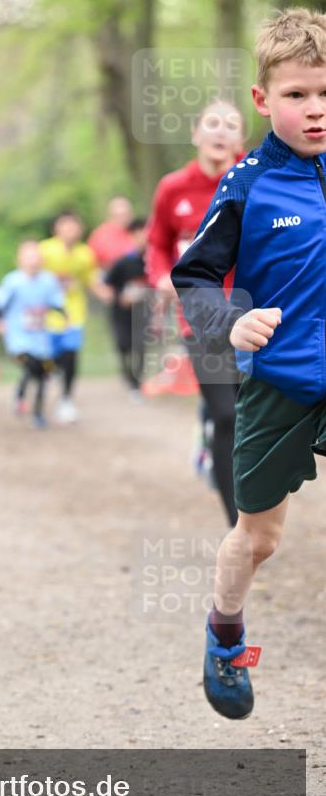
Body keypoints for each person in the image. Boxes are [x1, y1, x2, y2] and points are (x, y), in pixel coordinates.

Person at [172, 8, 326, 719]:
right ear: (263, 100)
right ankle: (224, 633)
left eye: (324, 93)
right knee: (257, 537)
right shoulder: (245, 184)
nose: (314, 110)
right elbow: (192, 278)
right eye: (297, 95)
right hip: (280, 384)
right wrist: (233, 322)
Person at [146, 100, 246, 527]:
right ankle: (237, 524)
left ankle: (211, 434)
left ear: (241, 139)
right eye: (212, 123)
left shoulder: (257, 178)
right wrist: (160, 277)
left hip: (254, 311)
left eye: (230, 125)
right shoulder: (173, 188)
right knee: (228, 415)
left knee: (251, 414)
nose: (221, 132)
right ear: (196, 133)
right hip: (200, 313)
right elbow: (156, 243)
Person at [40, 210, 107, 423]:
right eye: (65, 226)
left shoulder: (85, 254)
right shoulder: (44, 250)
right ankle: (45, 385)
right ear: (56, 229)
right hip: (46, 315)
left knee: (71, 355)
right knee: (49, 358)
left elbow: (92, 279)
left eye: (74, 226)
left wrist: (105, 293)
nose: (70, 230)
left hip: (74, 314)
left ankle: (66, 399)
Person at [0, 240, 64, 428]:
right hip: (19, 339)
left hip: (40, 339)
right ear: (20, 259)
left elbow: (56, 302)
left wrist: (63, 315)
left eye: (36, 257)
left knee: (42, 374)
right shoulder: (13, 281)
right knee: (31, 365)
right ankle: (20, 396)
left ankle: (38, 412)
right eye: (29, 257)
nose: (33, 261)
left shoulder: (48, 280)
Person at [103, 218, 150, 397]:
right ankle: (128, 376)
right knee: (124, 346)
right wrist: (119, 297)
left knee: (141, 347)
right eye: (138, 234)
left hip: (142, 314)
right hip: (121, 314)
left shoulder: (152, 260)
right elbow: (108, 285)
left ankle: (137, 383)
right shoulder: (122, 263)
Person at [88, 196, 135, 272]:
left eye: (125, 215)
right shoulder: (100, 235)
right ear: (110, 216)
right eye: (118, 216)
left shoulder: (138, 234)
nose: (123, 219)